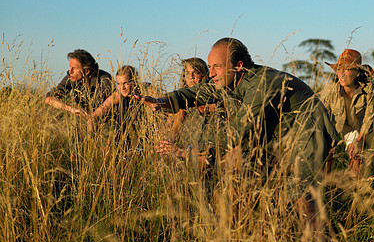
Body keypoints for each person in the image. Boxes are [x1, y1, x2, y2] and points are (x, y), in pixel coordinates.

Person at [135, 37, 339, 224]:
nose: (211, 72)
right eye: (210, 66)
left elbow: (236, 134)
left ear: (239, 65)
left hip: (309, 134)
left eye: (217, 66)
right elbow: (196, 92)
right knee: (252, 183)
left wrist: (187, 151)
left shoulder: (261, 84)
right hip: (278, 136)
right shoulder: (230, 81)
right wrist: (162, 101)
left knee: (303, 199)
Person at [321, 49, 374, 175]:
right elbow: (323, 114)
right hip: (335, 127)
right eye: (339, 69)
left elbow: (370, 116)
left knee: (358, 156)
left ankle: (354, 188)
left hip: (358, 128)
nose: (342, 74)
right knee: (327, 153)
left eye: (347, 69)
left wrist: (359, 140)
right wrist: (329, 140)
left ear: (357, 73)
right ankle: (327, 188)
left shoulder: (368, 88)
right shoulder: (332, 88)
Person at [157, 57, 215, 159]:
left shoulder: (214, 99)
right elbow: (175, 131)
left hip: (213, 150)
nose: (191, 77)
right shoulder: (184, 103)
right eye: (188, 73)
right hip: (190, 152)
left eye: (195, 72)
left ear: (204, 74)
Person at [89, 65, 148, 154]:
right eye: (119, 83)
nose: (122, 87)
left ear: (135, 81)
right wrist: (92, 139)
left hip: (146, 139)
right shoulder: (117, 96)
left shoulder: (146, 91)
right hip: (124, 141)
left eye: (126, 83)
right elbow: (94, 115)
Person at [45, 49, 114, 117]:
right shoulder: (71, 77)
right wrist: (71, 109)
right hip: (83, 122)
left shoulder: (104, 79)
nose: (70, 71)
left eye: (74, 68)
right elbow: (49, 98)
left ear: (87, 71)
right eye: (70, 67)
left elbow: (107, 107)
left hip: (106, 122)